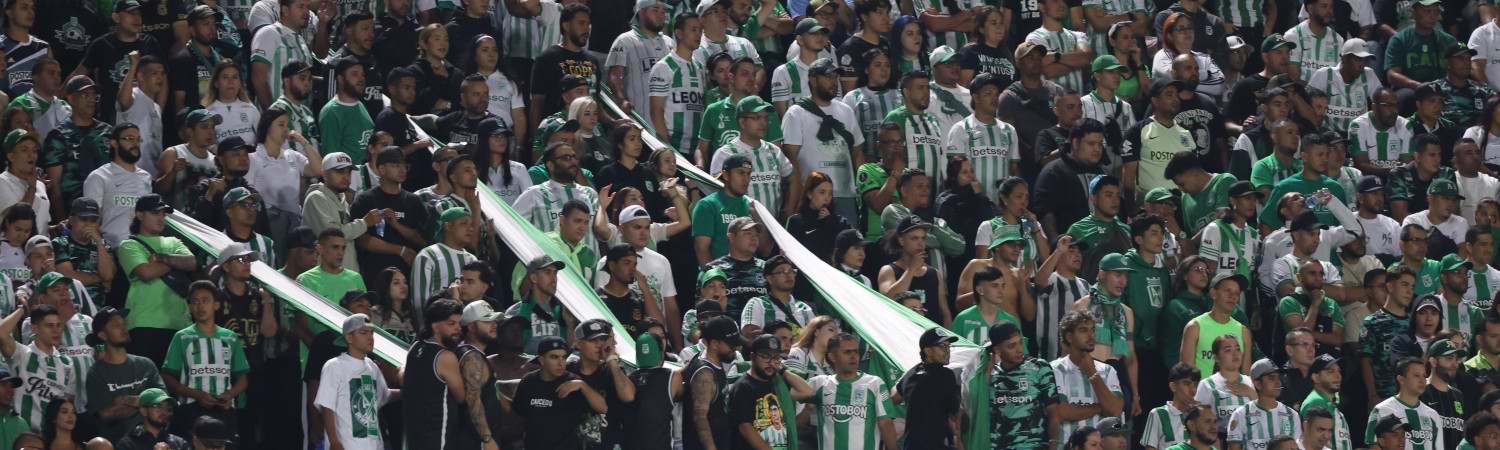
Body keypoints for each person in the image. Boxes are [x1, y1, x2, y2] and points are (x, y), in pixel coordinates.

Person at [161, 281, 248, 436]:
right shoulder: (182, 337)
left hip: (224, 410)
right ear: (189, 307)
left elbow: (243, 378)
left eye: (205, 300)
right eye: (195, 301)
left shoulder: (230, 337)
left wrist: (230, 394)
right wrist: (196, 394)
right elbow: (167, 376)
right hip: (191, 409)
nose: (200, 306)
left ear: (216, 305)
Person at [118, 193, 196, 366]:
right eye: (155, 213)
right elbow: (146, 272)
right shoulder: (130, 244)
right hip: (145, 323)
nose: (161, 218)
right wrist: (175, 262)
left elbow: (191, 262)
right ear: (139, 215)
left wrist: (161, 258)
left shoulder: (173, 240)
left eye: (163, 214)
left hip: (179, 323)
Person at [964, 321, 1056, 450]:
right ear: (997, 350)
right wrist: (986, 376)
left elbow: (1054, 411)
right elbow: (979, 415)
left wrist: (1053, 444)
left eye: (1020, 342)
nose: (1019, 349)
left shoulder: (1039, 368)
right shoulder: (989, 376)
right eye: (1012, 346)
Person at [350, 147, 429, 288]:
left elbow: (423, 240)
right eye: (395, 165)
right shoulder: (365, 200)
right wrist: (400, 250)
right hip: (375, 274)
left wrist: (398, 226)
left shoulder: (413, 201)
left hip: (407, 275)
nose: (402, 169)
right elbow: (362, 240)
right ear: (381, 169)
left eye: (405, 165)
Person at [511, 334, 608, 450]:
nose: (561, 363)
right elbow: (519, 414)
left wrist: (583, 386)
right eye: (554, 357)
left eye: (563, 357)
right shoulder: (528, 381)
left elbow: (603, 408)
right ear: (542, 360)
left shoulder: (574, 382)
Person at [85, 306, 161, 443]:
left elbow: (162, 402)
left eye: (124, 324)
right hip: (117, 442)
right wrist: (147, 403)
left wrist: (122, 399)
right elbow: (106, 414)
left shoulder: (146, 364)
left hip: (153, 441)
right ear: (103, 335)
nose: (124, 328)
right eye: (116, 325)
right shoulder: (96, 373)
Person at [41, 75, 111, 223]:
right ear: (71, 99)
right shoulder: (58, 135)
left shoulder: (108, 132)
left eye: (94, 95)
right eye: (85, 95)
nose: (91, 99)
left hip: (108, 208)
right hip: (73, 210)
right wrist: (63, 223)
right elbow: (55, 184)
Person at [726, 334, 814, 450]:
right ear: (753, 357)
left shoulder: (778, 385)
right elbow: (745, 428)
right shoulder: (743, 386)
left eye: (776, 358)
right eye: (766, 357)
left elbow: (807, 391)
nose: (771, 363)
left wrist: (782, 370)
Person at [404, 299, 468, 449]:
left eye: (459, 323)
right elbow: (461, 397)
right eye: (451, 324)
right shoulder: (445, 357)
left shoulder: (415, 347)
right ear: (435, 327)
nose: (458, 328)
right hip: (438, 438)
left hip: (415, 436)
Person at [1052, 309, 1125, 439]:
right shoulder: (1055, 369)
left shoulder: (1108, 371)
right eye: (1083, 330)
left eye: (1092, 330)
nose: (1091, 335)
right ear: (1069, 337)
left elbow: (1115, 410)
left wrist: (1092, 372)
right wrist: (1099, 407)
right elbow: (1061, 412)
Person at [529, 3, 598, 123]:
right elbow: (537, 102)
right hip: (558, 131)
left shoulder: (593, 61)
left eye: (588, 24)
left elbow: (596, 100)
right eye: (581, 23)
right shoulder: (546, 59)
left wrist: (612, 121)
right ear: (566, 26)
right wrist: (537, 137)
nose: (586, 29)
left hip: (587, 132)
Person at [683, 315, 744, 450]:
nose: (736, 348)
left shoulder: (713, 361)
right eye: (731, 345)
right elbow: (700, 418)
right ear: (714, 344)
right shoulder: (705, 374)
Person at [249, 0, 317, 110]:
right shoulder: (268, 33)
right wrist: (272, 116)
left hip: (302, 120)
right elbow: (258, 78)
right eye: (300, 7)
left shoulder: (302, 41)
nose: (306, 12)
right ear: (285, 10)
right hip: (276, 121)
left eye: (308, 7)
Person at [1367, 357, 1447, 450]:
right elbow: (1374, 446)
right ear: (1401, 379)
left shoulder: (1432, 415)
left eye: (1424, 376)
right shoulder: (1382, 410)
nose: (1422, 380)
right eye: (1416, 375)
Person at [1363, 265, 1416, 401]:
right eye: (1405, 285)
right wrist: (1372, 395)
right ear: (1390, 287)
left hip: (1412, 397)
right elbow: (1366, 362)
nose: (1409, 291)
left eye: (1412, 286)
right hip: (1384, 397)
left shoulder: (1415, 323)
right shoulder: (1372, 322)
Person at [1227, 359, 1304, 450]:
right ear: (1258, 384)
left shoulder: (1292, 415)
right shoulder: (1240, 414)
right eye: (1272, 378)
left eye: (1279, 377)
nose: (1278, 382)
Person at [505, 255, 575, 353]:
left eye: (555, 273)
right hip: (529, 366)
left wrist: (570, 324)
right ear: (533, 278)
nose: (554, 278)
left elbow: (571, 350)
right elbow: (510, 352)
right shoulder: (516, 312)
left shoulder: (564, 310)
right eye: (548, 272)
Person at [411, 207, 477, 309]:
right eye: (464, 223)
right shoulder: (428, 255)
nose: (471, 228)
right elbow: (419, 299)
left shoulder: (472, 259)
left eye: (471, 225)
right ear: (448, 226)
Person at [1387, 137, 1454, 226]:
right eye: (1432, 155)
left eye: (1439, 155)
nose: (1438, 160)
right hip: (1410, 232)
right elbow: (1401, 216)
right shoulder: (1399, 174)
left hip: (1442, 230)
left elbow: (1452, 212)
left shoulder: (1446, 173)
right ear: (1417, 157)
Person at [1142, 363, 1201, 450]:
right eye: (1187, 384)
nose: (1193, 390)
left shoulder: (1199, 415)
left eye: (1195, 385)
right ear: (1173, 387)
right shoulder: (1158, 414)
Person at [1422, 339, 1468, 449]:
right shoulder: (1421, 391)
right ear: (1433, 362)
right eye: (1449, 358)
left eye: (1456, 359)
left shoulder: (1458, 395)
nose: (1454, 364)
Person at [1281, 0, 1341, 81]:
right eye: (1324, 6)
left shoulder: (1338, 40)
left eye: (1331, 6)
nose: (1329, 11)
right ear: (1310, 9)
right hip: (1302, 92)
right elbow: (1294, 79)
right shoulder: (1293, 36)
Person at [113, 388, 187, 450]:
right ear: (144, 411)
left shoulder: (179, 443)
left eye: (167, 407)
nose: (164, 411)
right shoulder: (127, 444)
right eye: (158, 406)